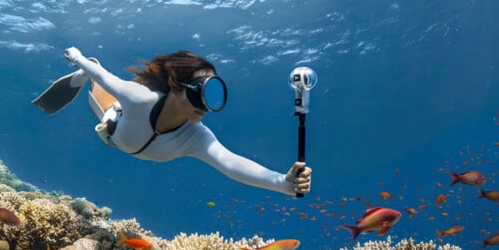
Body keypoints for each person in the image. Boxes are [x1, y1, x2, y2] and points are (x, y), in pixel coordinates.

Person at [35, 46, 312, 196]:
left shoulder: (196, 137)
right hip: (112, 123)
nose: (206, 105)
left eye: (212, 96)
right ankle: (86, 72)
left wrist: (281, 183)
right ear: (179, 86)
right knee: (98, 84)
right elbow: (108, 78)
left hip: (125, 141)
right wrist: (79, 59)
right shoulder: (139, 98)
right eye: (203, 91)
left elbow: (231, 163)